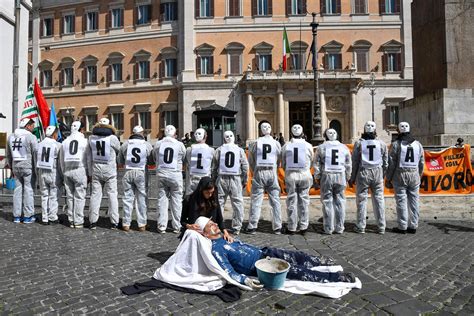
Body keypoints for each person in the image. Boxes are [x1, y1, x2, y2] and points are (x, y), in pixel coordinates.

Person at [195, 216, 356, 289]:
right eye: (211, 225)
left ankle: (320, 262)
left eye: (213, 222)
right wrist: (245, 280)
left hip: (265, 252)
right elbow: (227, 270)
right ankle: (336, 278)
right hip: (261, 266)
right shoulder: (216, 250)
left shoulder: (224, 237)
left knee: (298, 256)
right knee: (298, 272)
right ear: (205, 233)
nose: (216, 223)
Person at [349, 121, 388, 234]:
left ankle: (361, 226)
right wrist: (383, 174)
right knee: (379, 200)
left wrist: (352, 177)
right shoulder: (382, 143)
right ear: (375, 130)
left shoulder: (359, 143)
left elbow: (355, 162)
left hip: (363, 172)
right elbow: (386, 162)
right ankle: (381, 226)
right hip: (377, 172)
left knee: (361, 200)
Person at [386, 122, 425, 234]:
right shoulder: (418, 144)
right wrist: (419, 175)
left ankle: (402, 226)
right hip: (414, 174)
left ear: (398, 131)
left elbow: (391, 163)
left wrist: (388, 178)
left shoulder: (396, 144)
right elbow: (422, 162)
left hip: (400, 174)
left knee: (401, 200)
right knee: (414, 200)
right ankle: (413, 225)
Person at [246, 120, 282, 234]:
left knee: (256, 200)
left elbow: (250, 160)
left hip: (259, 172)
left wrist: (255, 170)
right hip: (272, 171)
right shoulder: (276, 143)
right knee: (275, 200)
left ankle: (252, 226)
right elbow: (279, 159)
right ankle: (277, 227)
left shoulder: (255, 143)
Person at [313, 129, 351, 235]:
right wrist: (347, 176)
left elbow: (316, 163)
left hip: (327, 175)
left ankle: (328, 227)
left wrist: (317, 176)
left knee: (327, 201)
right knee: (340, 201)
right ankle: (340, 227)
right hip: (340, 174)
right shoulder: (344, 147)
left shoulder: (321, 147)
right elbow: (348, 164)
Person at [211, 131, 249, 235]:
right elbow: (245, 166)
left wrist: (213, 180)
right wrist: (244, 180)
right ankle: (237, 227)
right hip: (235, 178)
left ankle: (217, 225)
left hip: (222, 178)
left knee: (219, 203)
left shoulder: (218, 150)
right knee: (237, 203)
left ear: (223, 139)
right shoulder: (239, 150)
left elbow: (214, 168)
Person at [118, 125, 153, 232]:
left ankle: (126, 223)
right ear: (142, 133)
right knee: (141, 198)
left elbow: (120, 161)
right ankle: (142, 224)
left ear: (132, 133)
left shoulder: (125, 144)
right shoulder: (147, 145)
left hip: (128, 171)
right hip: (141, 172)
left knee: (127, 198)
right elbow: (151, 161)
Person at [87, 117, 121, 230]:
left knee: (95, 196)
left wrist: (89, 172)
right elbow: (118, 150)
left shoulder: (91, 137)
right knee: (112, 195)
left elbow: (88, 156)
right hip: (110, 170)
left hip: (96, 169)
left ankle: (92, 221)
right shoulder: (113, 138)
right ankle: (114, 221)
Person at [281, 124, 314, 235]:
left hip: (291, 175)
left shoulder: (286, 146)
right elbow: (312, 161)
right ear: (303, 133)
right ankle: (304, 226)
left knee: (291, 201)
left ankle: (292, 227)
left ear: (291, 133)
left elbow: (283, 163)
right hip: (305, 174)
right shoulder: (309, 145)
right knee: (304, 200)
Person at [154, 125, 186, 233]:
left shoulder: (158, 144)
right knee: (177, 201)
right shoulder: (180, 144)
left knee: (161, 200)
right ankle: (176, 226)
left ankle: (161, 225)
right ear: (175, 134)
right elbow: (184, 157)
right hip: (175, 174)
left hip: (161, 173)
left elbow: (155, 157)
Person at [6, 118, 38, 223]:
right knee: (28, 190)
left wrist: (11, 166)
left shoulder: (11, 137)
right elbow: (36, 153)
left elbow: (8, 155)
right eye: (32, 126)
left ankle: (17, 215)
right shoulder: (31, 137)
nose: (33, 128)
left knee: (17, 191)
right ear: (27, 126)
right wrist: (36, 168)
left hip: (16, 166)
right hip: (28, 166)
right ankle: (28, 216)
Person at [181, 177, 233, 241]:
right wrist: (189, 226)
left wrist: (225, 232)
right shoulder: (189, 200)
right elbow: (182, 220)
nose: (210, 195)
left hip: (210, 233)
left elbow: (219, 218)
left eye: (212, 192)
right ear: (201, 190)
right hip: (195, 233)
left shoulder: (213, 199)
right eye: (207, 193)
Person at [59, 121, 89, 228]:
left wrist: (63, 172)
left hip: (67, 170)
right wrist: (89, 173)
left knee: (70, 197)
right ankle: (78, 220)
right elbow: (87, 158)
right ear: (81, 129)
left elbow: (61, 160)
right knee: (79, 197)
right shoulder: (85, 141)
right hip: (80, 169)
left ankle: (71, 219)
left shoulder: (65, 142)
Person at [35, 125, 61, 225]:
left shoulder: (39, 144)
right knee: (53, 196)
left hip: (42, 171)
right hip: (53, 171)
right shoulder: (58, 145)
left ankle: (44, 217)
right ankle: (52, 217)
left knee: (44, 195)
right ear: (54, 134)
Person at [184, 128, 215, 196]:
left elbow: (188, 163)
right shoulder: (211, 150)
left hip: (192, 178)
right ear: (205, 136)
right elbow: (213, 166)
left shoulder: (189, 149)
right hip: (205, 178)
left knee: (192, 200)